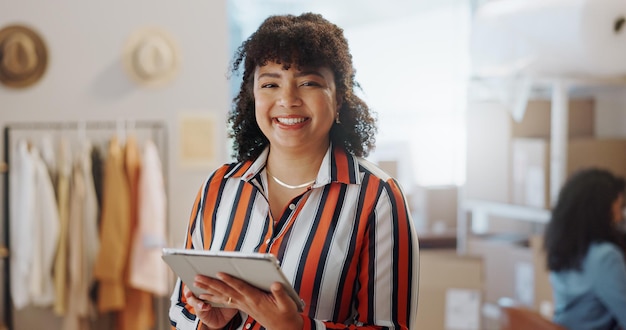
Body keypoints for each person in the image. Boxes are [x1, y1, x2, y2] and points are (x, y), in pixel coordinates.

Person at [168, 12, 419, 330]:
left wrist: (296, 327)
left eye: (309, 82)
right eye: (270, 83)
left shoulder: (377, 197)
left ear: (339, 96)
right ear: (253, 96)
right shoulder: (219, 186)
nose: (287, 99)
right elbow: (181, 309)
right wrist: (208, 322)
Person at [543, 168, 626, 329]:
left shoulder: (565, 248)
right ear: (603, 208)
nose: (620, 215)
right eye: (619, 205)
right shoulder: (605, 257)